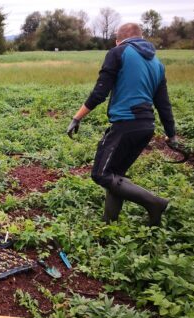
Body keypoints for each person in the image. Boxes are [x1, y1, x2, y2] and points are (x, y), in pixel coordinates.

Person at [66, 23, 178, 226]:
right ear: (142, 38)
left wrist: (77, 117)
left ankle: (154, 203)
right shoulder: (157, 63)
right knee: (115, 175)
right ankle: (109, 224)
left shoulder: (118, 52)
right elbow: (164, 104)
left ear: (118, 40)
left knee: (100, 174)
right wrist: (172, 135)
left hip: (126, 124)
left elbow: (100, 91)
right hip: (146, 127)